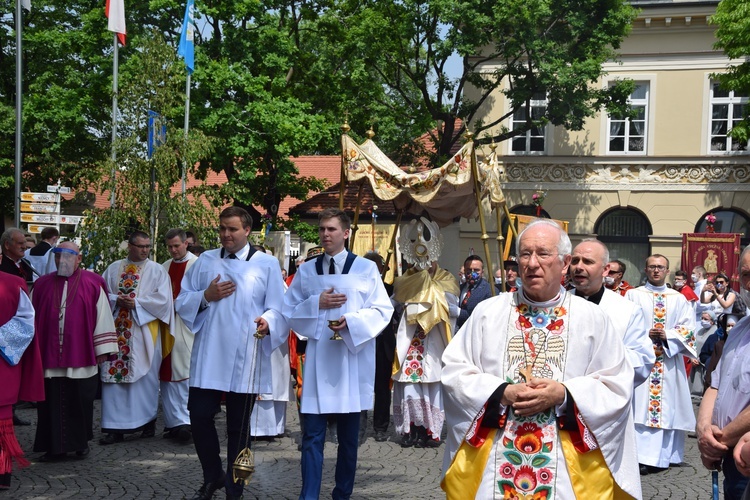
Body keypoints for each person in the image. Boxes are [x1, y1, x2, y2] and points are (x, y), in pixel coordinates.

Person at [440, 219, 641, 499]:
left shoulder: (592, 318)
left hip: (566, 461)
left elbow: (616, 384)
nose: (532, 263)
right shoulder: (488, 312)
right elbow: (454, 371)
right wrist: (501, 391)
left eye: (543, 254)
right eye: (525, 254)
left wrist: (564, 394)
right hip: (496, 453)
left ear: (565, 262)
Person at [176, 206, 287, 500]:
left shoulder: (266, 264)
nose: (226, 234)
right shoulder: (205, 261)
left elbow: (279, 307)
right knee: (198, 417)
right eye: (222, 228)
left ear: (247, 230)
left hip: (246, 354)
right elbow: (183, 299)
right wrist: (205, 297)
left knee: (240, 428)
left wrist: (269, 321)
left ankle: (238, 485)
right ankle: (213, 475)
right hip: (210, 352)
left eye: (232, 229)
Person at [283, 208, 393, 500]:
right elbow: (289, 310)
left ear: (345, 233)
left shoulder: (366, 270)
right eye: (321, 229)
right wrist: (315, 304)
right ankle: (309, 496)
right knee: (312, 437)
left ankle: (342, 494)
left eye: (331, 229)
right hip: (319, 362)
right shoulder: (307, 271)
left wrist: (352, 323)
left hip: (352, 362)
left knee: (348, 441)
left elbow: (383, 310)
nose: (325, 234)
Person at [31, 242, 118, 461]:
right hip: (49, 356)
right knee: (49, 404)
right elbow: (30, 318)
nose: (63, 261)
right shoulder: (41, 284)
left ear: (79, 259)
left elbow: (103, 316)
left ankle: (80, 444)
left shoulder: (93, 282)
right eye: (59, 256)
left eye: (69, 257)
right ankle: (53, 448)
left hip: (81, 354)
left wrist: (102, 349)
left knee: (81, 402)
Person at [99, 231, 173, 445]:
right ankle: (114, 428)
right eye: (140, 246)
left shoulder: (157, 271)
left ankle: (146, 421)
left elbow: (164, 301)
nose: (145, 250)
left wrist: (137, 304)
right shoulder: (113, 268)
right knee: (113, 379)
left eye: (148, 246)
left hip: (144, 332)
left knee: (145, 379)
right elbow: (101, 294)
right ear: (129, 246)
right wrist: (116, 299)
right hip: (116, 330)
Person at [625, 254, 697, 475]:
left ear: (667, 271)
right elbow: (623, 323)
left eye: (661, 267)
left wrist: (668, 334)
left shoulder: (678, 298)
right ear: (645, 270)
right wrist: (642, 334)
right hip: (641, 361)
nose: (656, 270)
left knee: (667, 409)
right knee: (639, 409)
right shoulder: (632, 295)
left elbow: (689, 329)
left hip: (668, 361)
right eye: (652, 267)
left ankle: (664, 456)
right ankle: (639, 457)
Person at [391, 218, 458, 448]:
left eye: (428, 261)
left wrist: (435, 301)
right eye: (420, 262)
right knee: (409, 389)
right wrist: (410, 304)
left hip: (434, 340)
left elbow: (454, 308)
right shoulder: (405, 280)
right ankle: (410, 430)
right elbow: (396, 304)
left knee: (431, 389)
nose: (424, 266)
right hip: (411, 342)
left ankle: (432, 431)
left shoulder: (446, 280)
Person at [696, 246, 750, 500]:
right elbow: (715, 385)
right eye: (747, 274)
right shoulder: (739, 329)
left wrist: (719, 440)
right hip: (727, 452)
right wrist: (703, 429)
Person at [570, 239, 655, 386]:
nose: (579, 267)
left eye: (588, 262)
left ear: (605, 269)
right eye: (575, 260)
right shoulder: (558, 303)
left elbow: (642, 360)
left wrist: (600, 357)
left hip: (606, 397)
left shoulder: (627, 310)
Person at [0, 272, 43, 490]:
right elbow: (26, 320)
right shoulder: (14, 283)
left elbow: (26, 320)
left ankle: (2, 472)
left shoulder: (14, 283)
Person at [246, 245, 292, 441]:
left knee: (274, 384)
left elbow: (285, 308)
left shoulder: (278, 283)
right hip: (249, 337)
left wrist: (270, 321)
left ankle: (274, 426)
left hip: (271, 337)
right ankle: (255, 426)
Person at [160, 229, 199, 441]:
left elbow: (203, 296)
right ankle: (173, 422)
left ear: (186, 243)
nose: (174, 250)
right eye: (170, 247)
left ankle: (188, 421)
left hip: (188, 325)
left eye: (177, 246)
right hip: (167, 325)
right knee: (167, 373)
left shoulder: (197, 265)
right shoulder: (164, 266)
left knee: (185, 372)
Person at [362, 251, 396, 444]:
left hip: (383, 344)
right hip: (364, 344)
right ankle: (359, 425)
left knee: (382, 389)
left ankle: (381, 427)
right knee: (362, 386)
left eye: (379, 268)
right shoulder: (358, 289)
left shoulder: (389, 290)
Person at [456, 255, 493, 330]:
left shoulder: (489, 290)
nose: (472, 273)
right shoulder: (458, 288)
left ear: (482, 271)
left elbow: (481, 317)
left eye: (476, 270)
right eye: (469, 270)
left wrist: (457, 312)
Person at [691, 310, 718, 396]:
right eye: (702, 318)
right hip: (695, 360)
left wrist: (701, 359)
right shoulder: (700, 331)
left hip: (704, 362)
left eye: (706, 319)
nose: (703, 320)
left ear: (712, 321)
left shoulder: (715, 331)